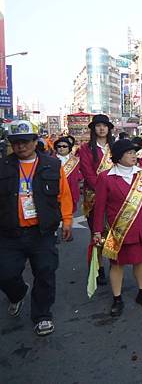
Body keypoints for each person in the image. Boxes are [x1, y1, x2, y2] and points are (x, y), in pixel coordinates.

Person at [0, 120, 73, 336]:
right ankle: (18, 293)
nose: (20, 146)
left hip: (42, 232)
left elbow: (64, 195)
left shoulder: (52, 165)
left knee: (45, 272)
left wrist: (67, 220)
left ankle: (42, 315)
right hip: (8, 233)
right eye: (15, 143)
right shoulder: (2, 166)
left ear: (35, 141)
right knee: (5, 274)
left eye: (25, 142)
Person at [92, 139, 142, 316]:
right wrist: (97, 230)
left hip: (140, 228)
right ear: (118, 157)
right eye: (129, 153)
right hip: (118, 230)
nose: (134, 156)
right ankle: (117, 298)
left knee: (140, 260)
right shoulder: (105, 177)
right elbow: (99, 207)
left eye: (134, 152)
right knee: (116, 264)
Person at [78, 114, 115, 286]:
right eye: (98, 126)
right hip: (94, 198)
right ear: (93, 129)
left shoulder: (115, 148)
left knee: (115, 232)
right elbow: (87, 172)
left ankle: (115, 265)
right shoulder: (86, 149)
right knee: (96, 234)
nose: (101, 128)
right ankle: (98, 267)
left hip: (115, 197)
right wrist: (102, 191)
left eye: (104, 126)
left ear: (109, 129)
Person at [53, 136, 82, 215]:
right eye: (59, 146)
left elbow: (80, 175)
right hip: (56, 192)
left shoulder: (75, 160)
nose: (61, 148)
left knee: (69, 215)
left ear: (69, 148)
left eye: (64, 146)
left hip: (71, 191)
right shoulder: (50, 160)